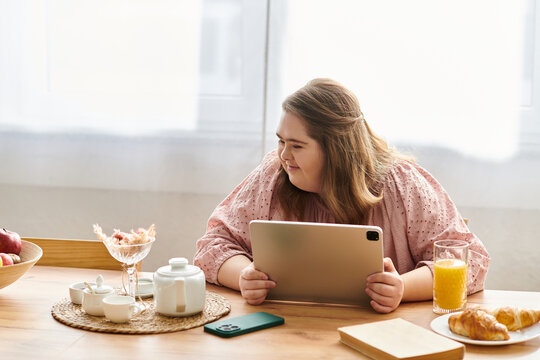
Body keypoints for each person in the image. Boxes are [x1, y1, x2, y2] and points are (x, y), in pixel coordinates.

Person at [194, 78, 490, 313]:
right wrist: (245, 276)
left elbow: (469, 260)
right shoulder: (273, 174)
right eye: (281, 141)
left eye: (297, 145)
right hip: (287, 333)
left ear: (336, 150)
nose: (284, 155)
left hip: (382, 337)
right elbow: (212, 246)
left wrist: (401, 288)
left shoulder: (401, 184)